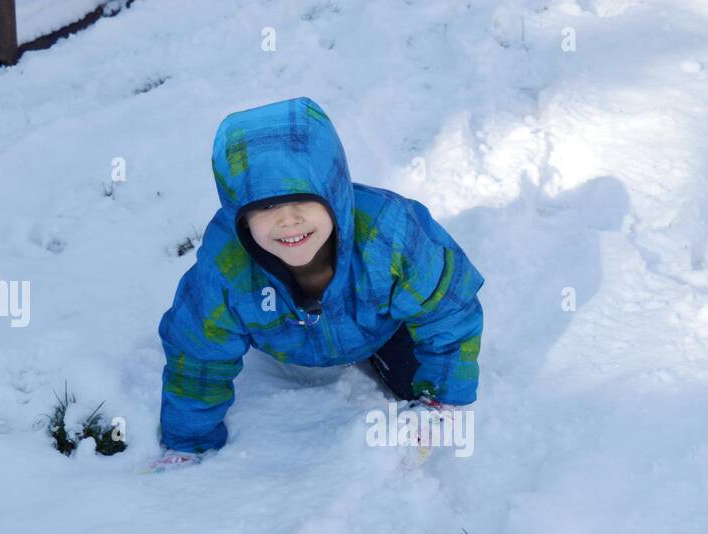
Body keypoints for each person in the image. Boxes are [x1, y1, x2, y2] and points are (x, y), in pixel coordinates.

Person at [152, 96, 485, 468]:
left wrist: (444, 401)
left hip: (383, 328)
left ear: (334, 193)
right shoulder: (225, 269)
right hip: (288, 337)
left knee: (419, 377)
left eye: (302, 201)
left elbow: (449, 311)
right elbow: (197, 355)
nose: (288, 220)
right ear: (240, 216)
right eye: (265, 207)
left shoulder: (390, 235)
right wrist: (189, 440)